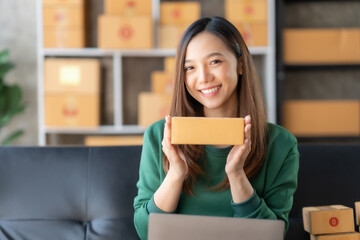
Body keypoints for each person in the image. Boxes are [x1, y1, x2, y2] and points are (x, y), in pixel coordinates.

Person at [133, 16, 299, 240]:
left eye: (215, 62)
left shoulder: (281, 144)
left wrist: (237, 175)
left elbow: (271, 236)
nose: (203, 77)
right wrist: (175, 173)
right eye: (190, 67)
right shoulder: (159, 136)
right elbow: (145, 232)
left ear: (240, 64)